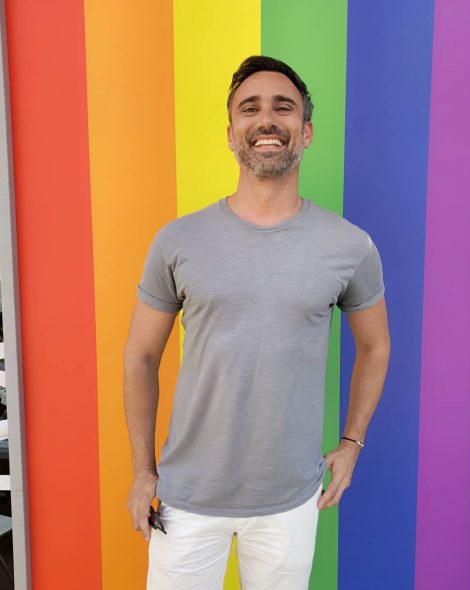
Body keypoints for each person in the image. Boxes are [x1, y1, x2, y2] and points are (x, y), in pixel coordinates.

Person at [124, 55, 390, 590]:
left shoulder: (349, 246)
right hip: (186, 496)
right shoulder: (178, 241)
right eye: (250, 108)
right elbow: (141, 355)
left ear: (306, 131)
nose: (267, 118)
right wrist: (143, 470)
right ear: (231, 134)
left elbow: (376, 347)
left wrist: (352, 444)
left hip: (289, 500)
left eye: (283, 107)